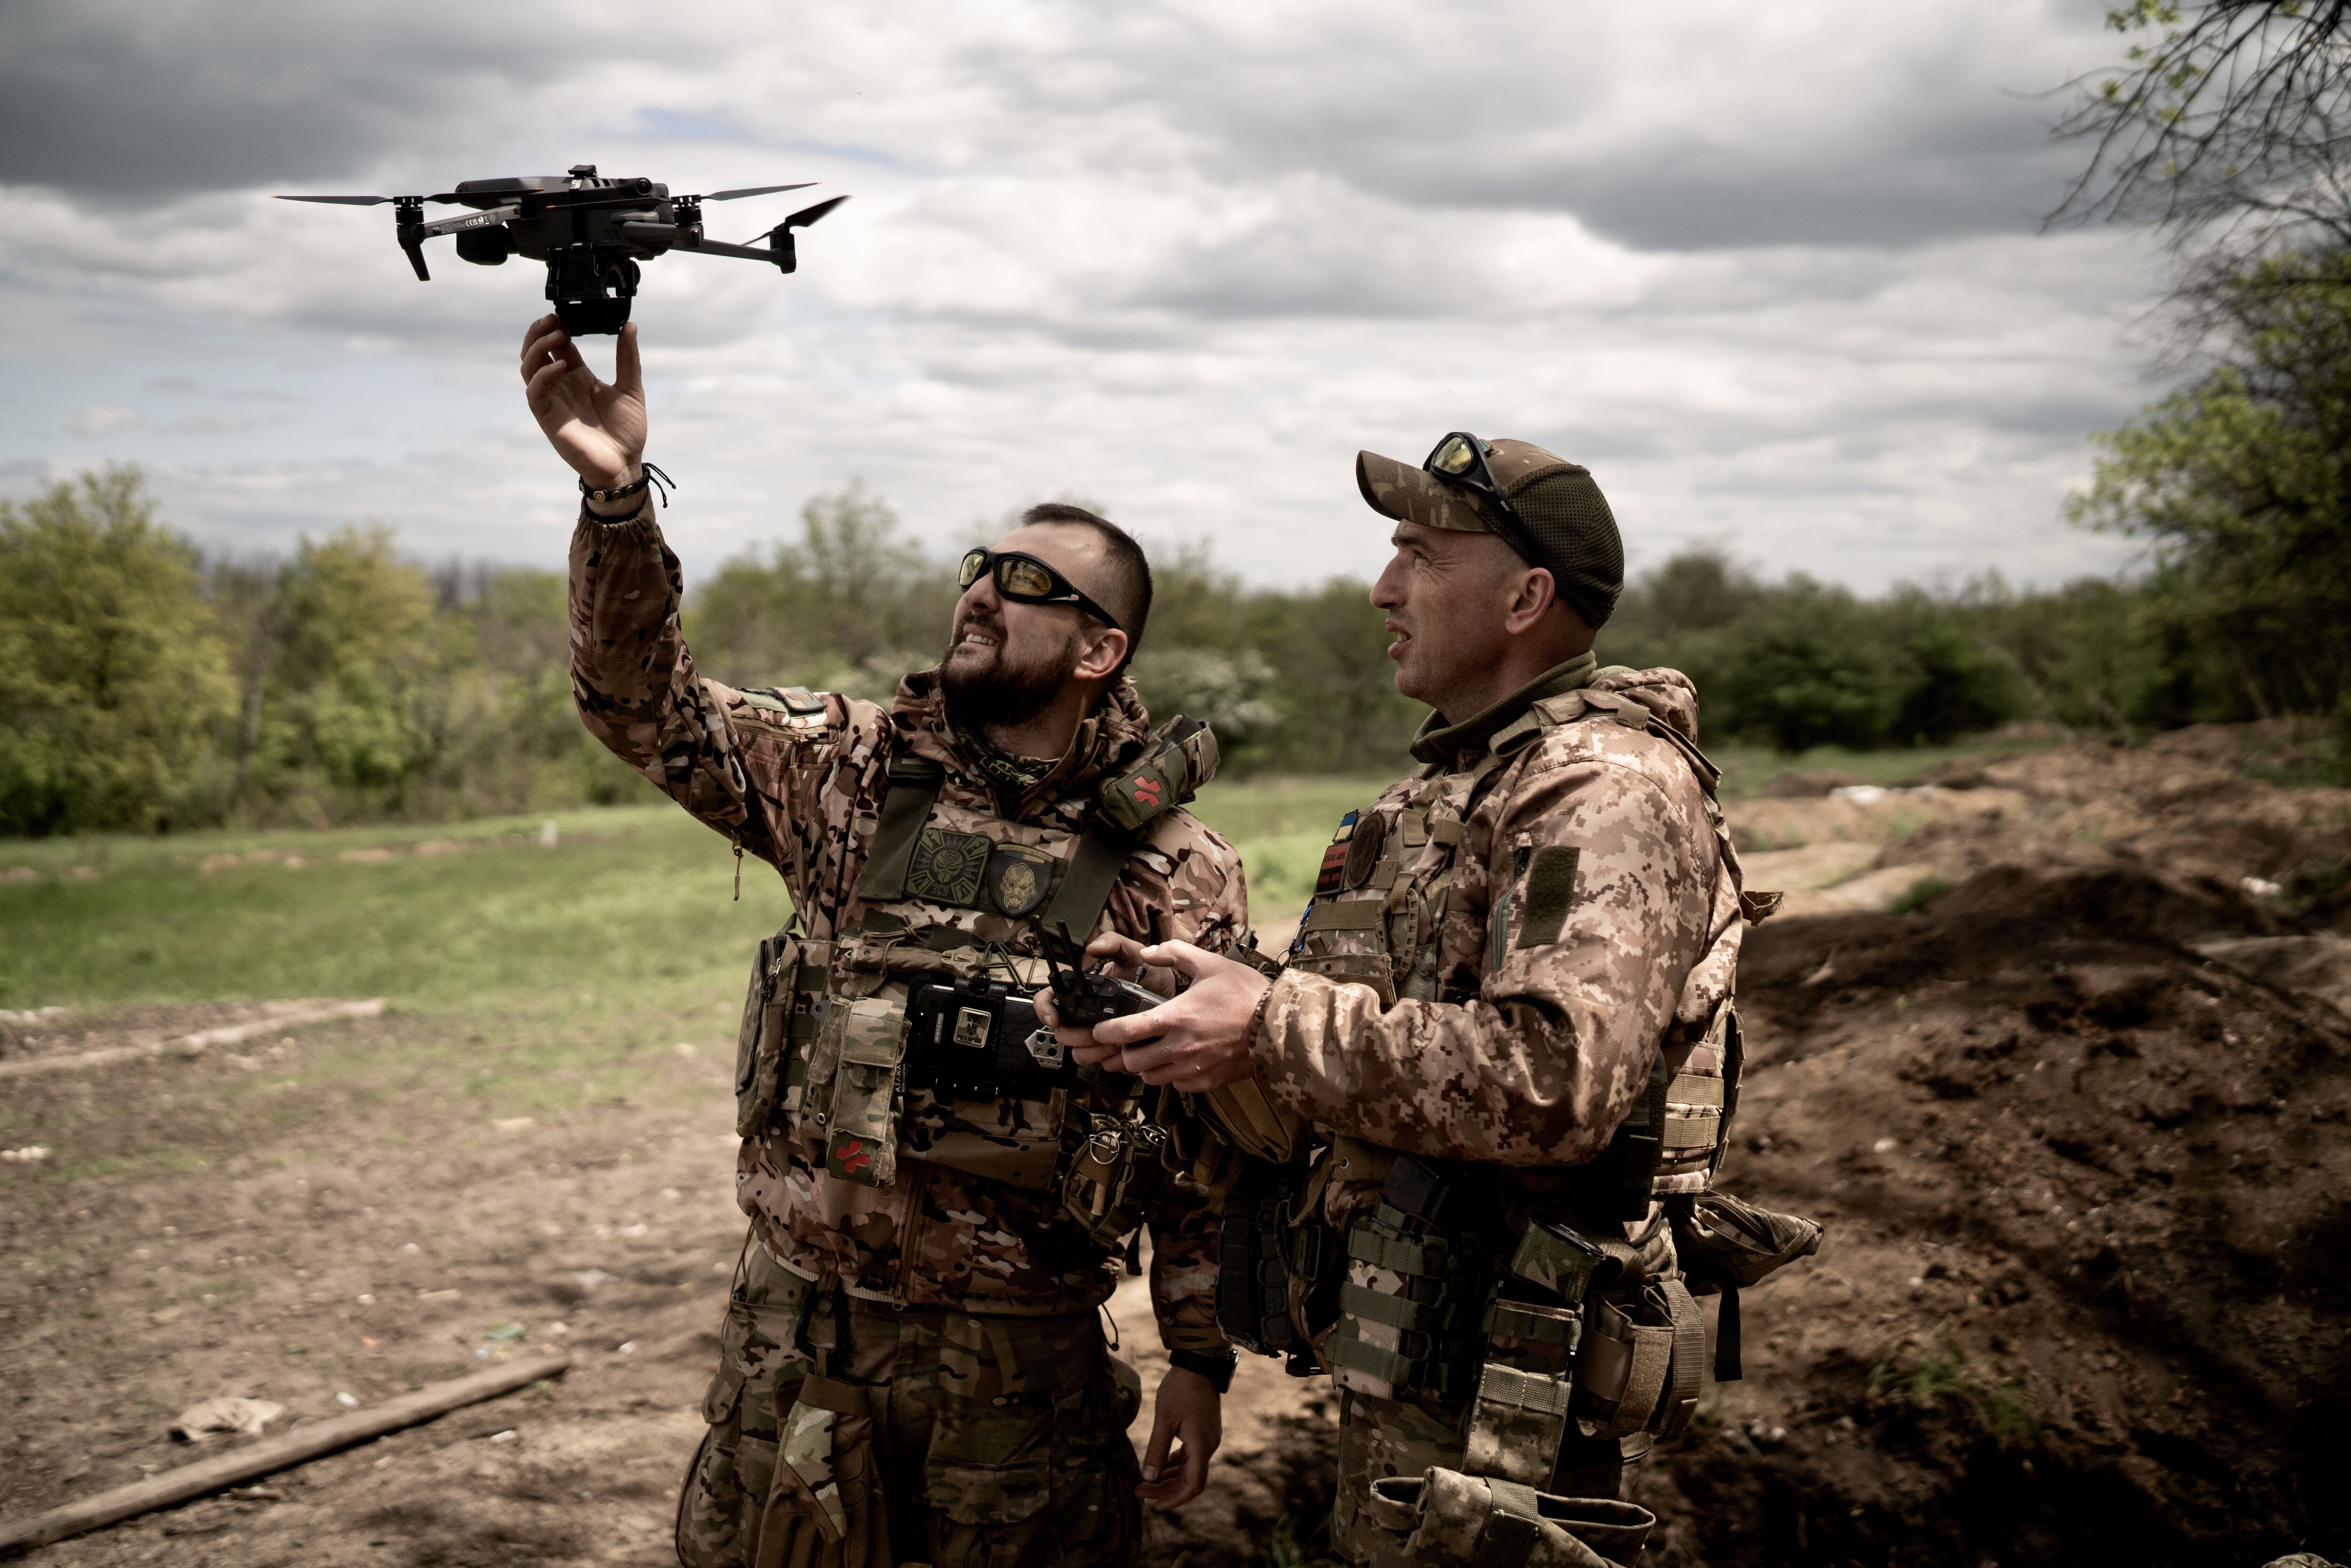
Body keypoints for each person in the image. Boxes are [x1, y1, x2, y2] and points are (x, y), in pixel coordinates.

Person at [519, 315, 1247, 1568]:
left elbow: (1203, 1144)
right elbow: (642, 705)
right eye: (982, 564)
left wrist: (1197, 1357)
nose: (980, 591)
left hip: (1019, 1366)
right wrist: (620, 502)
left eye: (1028, 584)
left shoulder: (1176, 866)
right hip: (797, 1331)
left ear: (1100, 649)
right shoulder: (840, 770)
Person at [1043, 433, 1816, 1566]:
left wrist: (1267, 1025)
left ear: (1526, 597)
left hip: (1514, 1409)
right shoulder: (1456, 787)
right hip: (1414, 1364)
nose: (1381, 587)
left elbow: (1560, 1081)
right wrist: (1193, 1009)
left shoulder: (1600, 788)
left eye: (1419, 554)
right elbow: (1394, 1033)